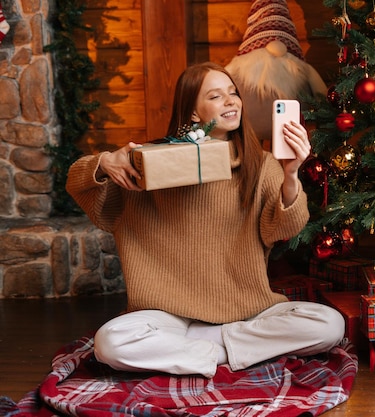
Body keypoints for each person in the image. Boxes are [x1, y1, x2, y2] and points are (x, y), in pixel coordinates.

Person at [66, 61, 345, 378]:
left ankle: (203, 351)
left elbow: (284, 228)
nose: (231, 101)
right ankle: (233, 351)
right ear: (193, 113)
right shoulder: (150, 164)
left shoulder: (262, 165)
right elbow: (79, 184)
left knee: (330, 324)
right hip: (168, 316)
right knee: (110, 343)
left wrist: (291, 172)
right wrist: (104, 162)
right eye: (216, 96)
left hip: (247, 311)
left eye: (233, 93)